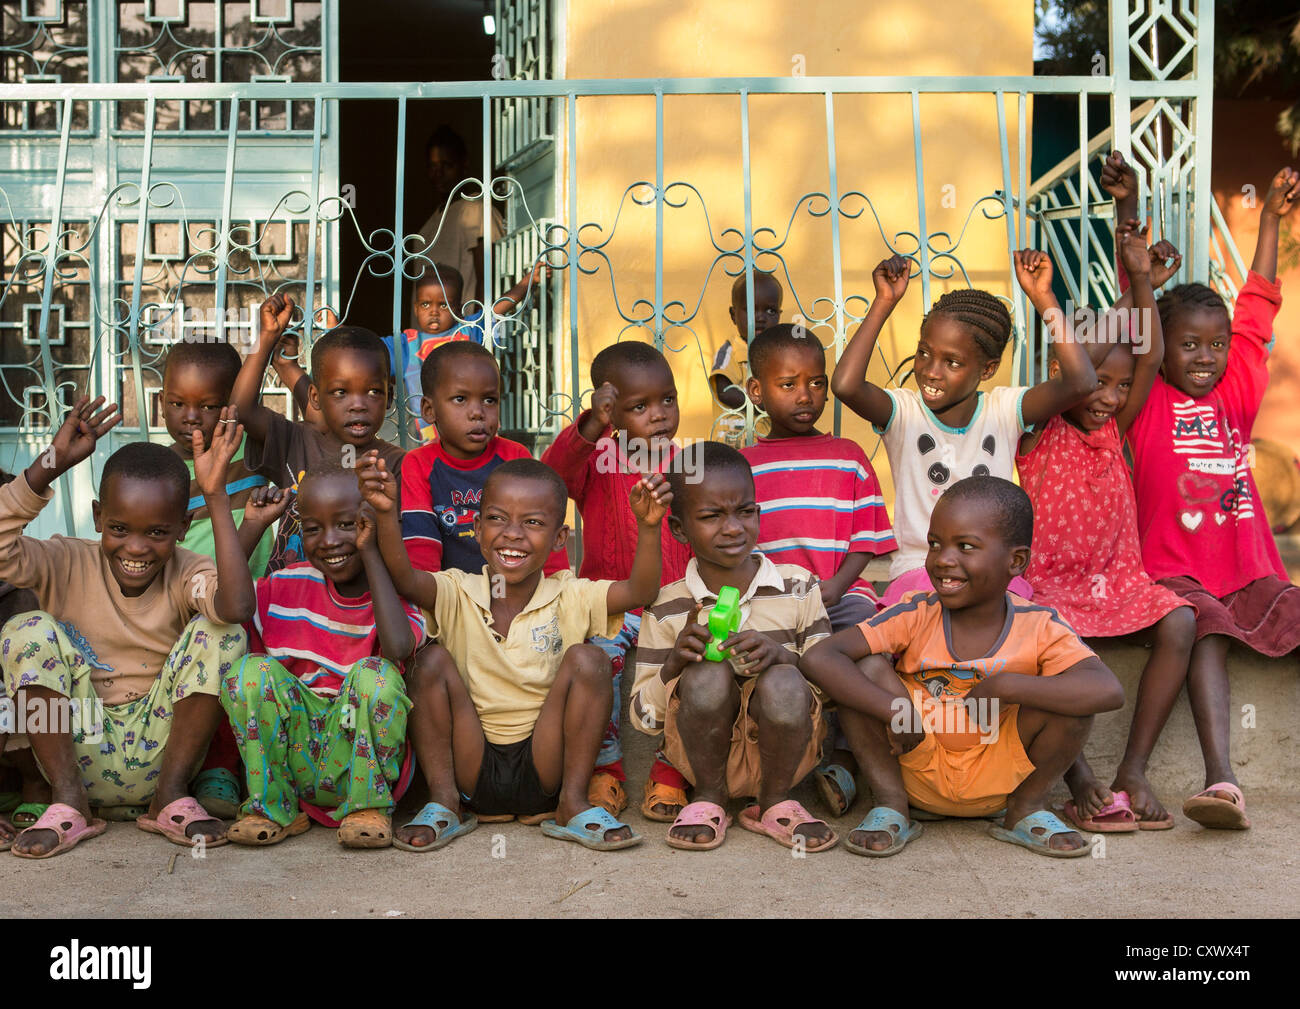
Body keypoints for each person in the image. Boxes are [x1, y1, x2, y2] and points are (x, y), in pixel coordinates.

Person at [800, 476, 1125, 859]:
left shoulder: (1039, 624)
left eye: (965, 546)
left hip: (1002, 776)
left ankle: (1027, 810)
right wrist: (894, 709)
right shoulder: (915, 611)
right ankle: (890, 806)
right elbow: (819, 657)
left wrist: (1006, 686)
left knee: (1071, 693)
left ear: (1016, 561)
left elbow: (1108, 690)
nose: (943, 559)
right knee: (866, 667)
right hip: (915, 760)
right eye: (935, 544)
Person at [360, 455, 667, 852]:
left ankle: (571, 804)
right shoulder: (457, 589)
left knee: (590, 659)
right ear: (476, 528)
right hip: (473, 764)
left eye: (534, 522)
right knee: (430, 660)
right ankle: (444, 801)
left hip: (545, 764)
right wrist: (386, 515)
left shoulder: (570, 593)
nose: (513, 534)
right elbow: (404, 577)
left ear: (560, 539)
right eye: (497, 518)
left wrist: (648, 527)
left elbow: (640, 593)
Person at [1123, 164, 1300, 830]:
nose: (1205, 356)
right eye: (1188, 344)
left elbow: (1257, 310)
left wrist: (1275, 219)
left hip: (1251, 572)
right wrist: (1129, 214)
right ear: (1162, 348)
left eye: (1216, 345)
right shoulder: (1143, 401)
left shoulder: (1237, 392)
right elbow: (1136, 327)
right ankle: (1222, 778)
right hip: (1173, 575)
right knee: (1205, 629)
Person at [0, 398, 254, 858]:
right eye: (119, 528)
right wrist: (51, 463)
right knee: (25, 630)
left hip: (160, 750)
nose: (135, 548)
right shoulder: (64, 560)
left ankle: (170, 797)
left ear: (182, 526)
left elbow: (235, 607)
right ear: (98, 517)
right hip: (77, 742)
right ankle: (68, 801)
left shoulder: (188, 570)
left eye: (157, 532)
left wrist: (216, 496)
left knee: (223, 633)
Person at [1017, 217, 1195, 831]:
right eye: (1100, 383)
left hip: (1116, 581)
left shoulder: (1114, 432)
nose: (1109, 395)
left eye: (1122, 388)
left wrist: (1143, 278)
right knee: (1050, 640)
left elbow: (1147, 354)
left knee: (1181, 620)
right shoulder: (1043, 431)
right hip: (1050, 591)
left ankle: (1133, 770)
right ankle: (1081, 779)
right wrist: (1104, 299)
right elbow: (1083, 368)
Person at [831, 251, 1097, 606]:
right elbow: (846, 385)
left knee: (1016, 627)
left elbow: (1081, 382)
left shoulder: (1004, 410)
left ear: (987, 369)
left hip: (990, 570)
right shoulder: (905, 413)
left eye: (952, 362)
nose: (931, 371)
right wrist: (884, 302)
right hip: (920, 570)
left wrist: (1043, 297)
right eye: (924, 353)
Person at [630, 441, 836, 853]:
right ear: (679, 530)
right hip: (697, 755)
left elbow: (831, 688)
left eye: (745, 511)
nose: (733, 527)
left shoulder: (798, 587)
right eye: (711, 516)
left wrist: (784, 657)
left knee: (782, 678)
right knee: (706, 672)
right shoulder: (669, 606)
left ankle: (775, 801)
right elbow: (642, 719)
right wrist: (673, 666)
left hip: (788, 754)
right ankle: (709, 796)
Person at [220, 461, 426, 849]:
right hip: (296, 755)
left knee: (375, 676)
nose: (329, 540)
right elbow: (228, 600)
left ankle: (366, 809)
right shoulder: (285, 585)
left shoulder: (394, 596)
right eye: (313, 529)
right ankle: (271, 807)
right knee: (249, 671)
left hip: (358, 761)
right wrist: (251, 527)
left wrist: (372, 553)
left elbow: (398, 647)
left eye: (348, 525)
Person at [739, 322, 896, 816]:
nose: (806, 396)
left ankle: (846, 761)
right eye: (788, 385)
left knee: (867, 654)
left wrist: (835, 587)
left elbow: (866, 540)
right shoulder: (743, 466)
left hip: (840, 593)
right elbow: (737, 548)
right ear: (757, 391)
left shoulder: (848, 458)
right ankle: (783, 763)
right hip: (773, 602)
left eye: (816, 382)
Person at [541, 341, 694, 822]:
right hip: (613, 605)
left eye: (667, 400)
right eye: (640, 406)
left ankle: (672, 770)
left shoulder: (689, 463)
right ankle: (606, 769)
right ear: (610, 411)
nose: (660, 415)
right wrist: (590, 424)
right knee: (599, 664)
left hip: (679, 604)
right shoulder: (597, 460)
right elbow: (552, 476)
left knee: (694, 669)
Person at [233, 294, 405, 573]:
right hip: (289, 603)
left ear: (389, 397)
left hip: (360, 605)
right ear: (314, 397)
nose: (358, 405)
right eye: (341, 393)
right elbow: (241, 409)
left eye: (373, 391)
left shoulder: (396, 464)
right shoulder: (297, 442)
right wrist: (266, 339)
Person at [400, 342, 553, 576]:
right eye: (460, 399)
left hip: (512, 593)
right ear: (429, 410)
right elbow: (421, 547)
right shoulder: (418, 464)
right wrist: (430, 600)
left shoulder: (515, 457)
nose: (478, 412)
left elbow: (540, 529)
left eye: (489, 400)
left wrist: (555, 590)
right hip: (448, 598)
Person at [385, 261, 550, 443]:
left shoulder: (468, 330)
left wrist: (526, 283)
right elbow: (370, 348)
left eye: (444, 305)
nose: (434, 312)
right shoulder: (407, 344)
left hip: (475, 424)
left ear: (459, 308)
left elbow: (499, 308)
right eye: (425, 305)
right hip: (431, 434)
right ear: (415, 308)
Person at [416, 125, 505, 309]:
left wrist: (479, 328)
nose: (438, 173)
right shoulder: (436, 218)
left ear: (463, 165)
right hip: (428, 333)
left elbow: (488, 278)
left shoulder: (475, 210)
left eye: (447, 165)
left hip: (463, 329)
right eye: (433, 166)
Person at [710, 271, 784, 445]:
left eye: (770, 310)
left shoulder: (779, 355)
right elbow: (725, 392)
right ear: (733, 315)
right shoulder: (730, 351)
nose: (760, 317)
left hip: (765, 442)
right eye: (751, 309)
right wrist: (765, 404)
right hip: (732, 443)